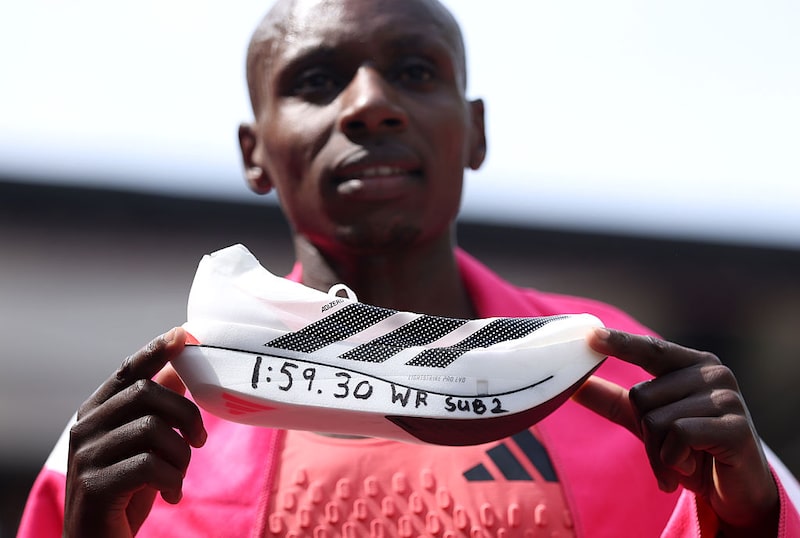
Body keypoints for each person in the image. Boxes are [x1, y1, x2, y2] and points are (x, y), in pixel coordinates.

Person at [18, 0, 800, 536]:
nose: (369, 105)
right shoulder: (146, 426)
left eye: (416, 73)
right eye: (316, 81)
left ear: (474, 132)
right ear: (255, 152)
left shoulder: (631, 382)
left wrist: (746, 520)